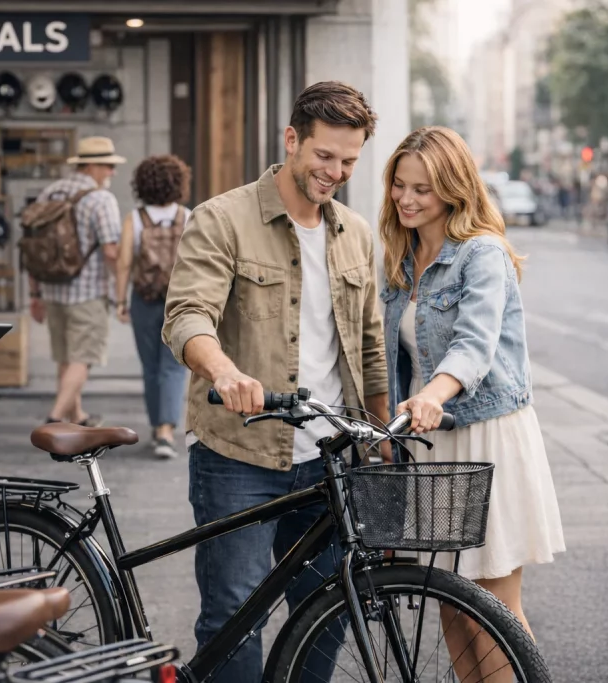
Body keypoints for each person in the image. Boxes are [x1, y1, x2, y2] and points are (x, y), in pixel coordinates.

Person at [162, 81, 390, 683]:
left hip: (331, 461)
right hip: (239, 454)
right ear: (292, 140)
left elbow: (370, 348)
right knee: (235, 620)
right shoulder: (223, 218)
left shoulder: (358, 235)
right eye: (324, 156)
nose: (335, 171)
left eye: (348, 161)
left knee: (325, 616)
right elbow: (187, 315)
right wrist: (225, 370)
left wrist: (381, 436)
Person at [378, 125, 565, 674]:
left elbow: (474, 345)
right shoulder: (401, 256)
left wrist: (434, 394)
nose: (407, 200)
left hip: (485, 438)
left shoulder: (482, 254)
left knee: (493, 609)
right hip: (429, 442)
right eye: (399, 185)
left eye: (423, 190)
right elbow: (391, 357)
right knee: (449, 603)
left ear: (454, 190)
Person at [27, 137, 125, 427]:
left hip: (53, 289)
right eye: (108, 166)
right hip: (88, 292)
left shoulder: (50, 192)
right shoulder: (101, 199)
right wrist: (120, 289)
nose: (112, 172)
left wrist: (35, 293)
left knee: (66, 358)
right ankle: (55, 419)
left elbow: (33, 246)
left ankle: (76, 416)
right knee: (82, 358)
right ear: (92, 166)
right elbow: (111, 251)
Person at [114, 155, 192, 459]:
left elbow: (123, 264)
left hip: (143, 299)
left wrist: (121, 301)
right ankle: (165, 431)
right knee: (173, 366)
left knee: (150, 367)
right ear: (179, 183)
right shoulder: (188, 216)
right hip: (179, 299)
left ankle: (156, 426)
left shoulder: (135, 219)